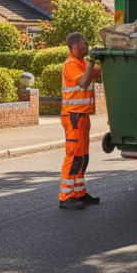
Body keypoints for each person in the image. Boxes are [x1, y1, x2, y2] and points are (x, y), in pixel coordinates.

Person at [59, 32, 101, 210]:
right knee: (74, 156)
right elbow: (83, 82)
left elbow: (97, 73)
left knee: (83, 157)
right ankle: (66, 196)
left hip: (82, 117)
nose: (87, 47)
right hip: (73, 117)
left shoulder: (81, 63)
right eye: (85, 45)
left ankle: (79, 193)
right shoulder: (71, 65)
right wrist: (92, 60)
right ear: (76, 46)